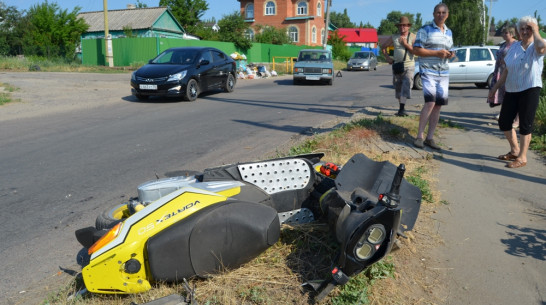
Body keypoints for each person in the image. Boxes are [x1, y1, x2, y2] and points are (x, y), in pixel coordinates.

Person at [488, 16, 545, 168]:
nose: (525, 31)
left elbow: (542, 47)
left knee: (525, 125)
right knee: (504, 122)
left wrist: (536, 30)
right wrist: (494, 88)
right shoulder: (514, 46)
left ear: (533, 29)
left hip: (530, 89)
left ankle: (522, 157)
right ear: (518, 31)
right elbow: (506, 70)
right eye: (523, 29)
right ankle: (514, 150)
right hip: (512, 89)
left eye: (528, 28)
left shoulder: (536, 46)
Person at [412, 3, 454, 150]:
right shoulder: (425, 30)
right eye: (438, 12)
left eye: (443, 13)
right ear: (433, 14)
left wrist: (451, 54)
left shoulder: (449, 32)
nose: (440, 15)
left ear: (447, 15)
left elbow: (449, 49)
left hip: (443, 72)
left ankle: (430, 138)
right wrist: (436, 53)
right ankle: (419, 137)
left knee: (438, 105)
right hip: (428, 70)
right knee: (430, 102)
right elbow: (416, 50)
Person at [381, 16, 416, 117]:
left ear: (408, 26)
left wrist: (405, 44)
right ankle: (401, 107)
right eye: (400, 26)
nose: (402, 27)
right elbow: (383, 47)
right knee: (398, 88)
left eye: (404, 25)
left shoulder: (413, 37)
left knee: (406, 85)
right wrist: (387, 58)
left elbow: (415, 51)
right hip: (397, 66)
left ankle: (402, 109)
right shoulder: (394, 37)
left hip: (409, 65)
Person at [488, 26, 519, 127]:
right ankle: (503, 113)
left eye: (506, 33)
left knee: (511, 95)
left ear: (512, 34)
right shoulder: (504, 44)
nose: (504, 35)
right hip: (500, 71)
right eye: (503, 33)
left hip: (510, 73)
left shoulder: (516, 45)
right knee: (503, 95)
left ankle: (516, 118)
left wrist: (506, 62)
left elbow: (517, 59)